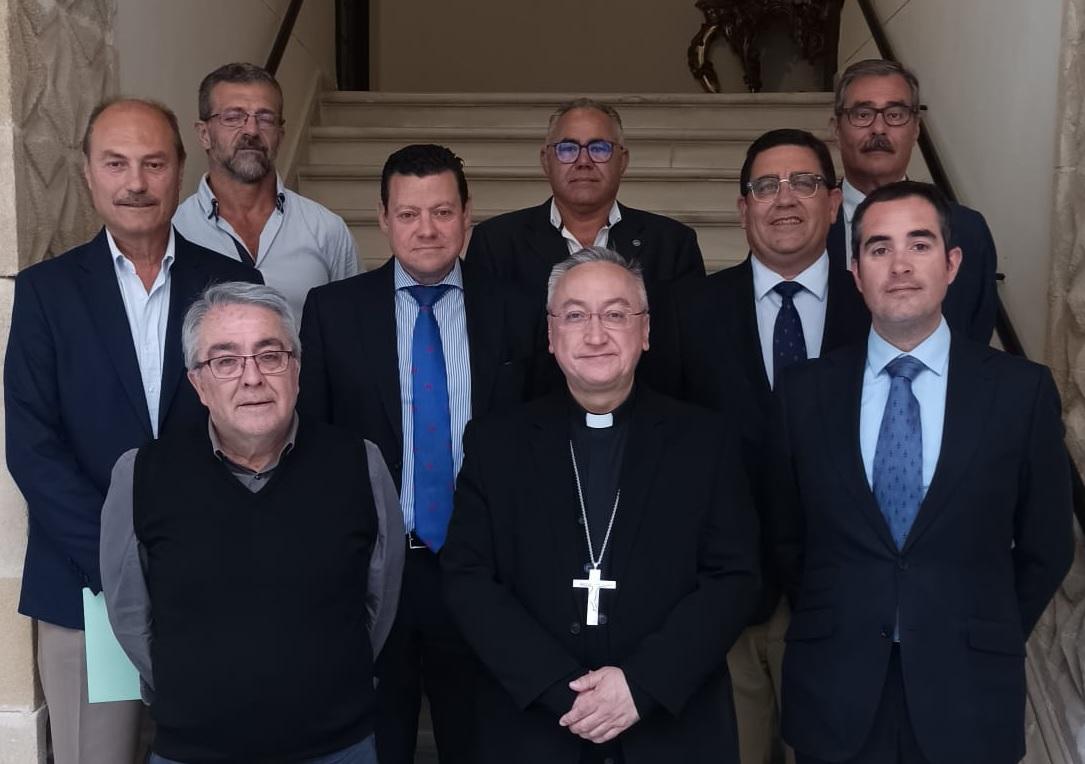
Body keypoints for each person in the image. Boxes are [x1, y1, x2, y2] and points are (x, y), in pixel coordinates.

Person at [772, 181, 1074, 764]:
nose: (901, 265)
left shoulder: (1021, 392)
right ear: (855, 271)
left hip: (970, 694)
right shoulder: (803, 393)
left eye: (920, 244)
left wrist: (982, 625)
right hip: (836, 691)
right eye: (879, 248)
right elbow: (787, 537)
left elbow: (1047, 544)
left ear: (952, 263)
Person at [4, 97, 260, 764]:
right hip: (86, 587)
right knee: (102, 756)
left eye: (152, 163)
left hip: (213, 584)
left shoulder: (231, 284)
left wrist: (194, 554)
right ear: (87, 173)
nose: (135, 182)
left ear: (181, 171)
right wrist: (123, 564)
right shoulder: (45, 294)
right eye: (115, 163)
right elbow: (32, 446)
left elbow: (259, 427)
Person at [442, 246, 760, 764]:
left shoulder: (705, 441)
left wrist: (643, 684)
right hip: (535, 732)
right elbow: (467, 577)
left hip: (671, 729)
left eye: (615, 314)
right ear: (550, 335)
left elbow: (735, 577)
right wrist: (559, 689)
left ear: (647, 331)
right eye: (574, 316)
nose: (595, 335)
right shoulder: (496, 443)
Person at [298, 144, 550, 763]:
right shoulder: (333, 312)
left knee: (481, 742)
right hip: (376, 572)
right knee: (377, 743)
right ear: (383, 219)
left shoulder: (521, 309)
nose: (427, 229)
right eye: (409, 214)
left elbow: (545, 437)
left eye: (442, 211)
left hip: (486, 569)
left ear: (468, 216)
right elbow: (316, 447)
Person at [99, 282, 403, 764]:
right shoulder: (141, 474)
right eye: (225, 360)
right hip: (194, 751)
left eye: (270, 355)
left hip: (337, 748)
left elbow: (379, 603)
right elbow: (130, 616)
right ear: (198, 383)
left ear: (297, 370)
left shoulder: (360, 463)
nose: (252, 377)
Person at [650, 128, 869, 764]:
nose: (784, 199)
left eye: (804, 182)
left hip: (845, 601)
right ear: (741, 207)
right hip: (726, 602)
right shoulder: (687, 311)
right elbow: (662, 454)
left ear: (834, 203)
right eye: (764, 186)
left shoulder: (879, 308)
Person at [465, 97, 705, 310]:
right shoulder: (496, 242)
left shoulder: (673, 244)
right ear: (546, 161)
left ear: (623, 161)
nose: (583, 161)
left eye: (599, 148)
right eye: (567, 149)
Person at [828, 59, 997, 342]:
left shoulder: (967, 231)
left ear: (916, 129)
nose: (879, 129)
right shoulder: (805, 226)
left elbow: (972, 341)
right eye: (862, 114)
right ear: (836, 129)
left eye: (895, 114)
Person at [173, 62, 359, 319]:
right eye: (233, 117)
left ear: (280, 134)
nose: (251, 130)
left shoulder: (326, 231)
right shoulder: (176, 231)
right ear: (204, 134)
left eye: (265, 118)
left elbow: (351, 330)